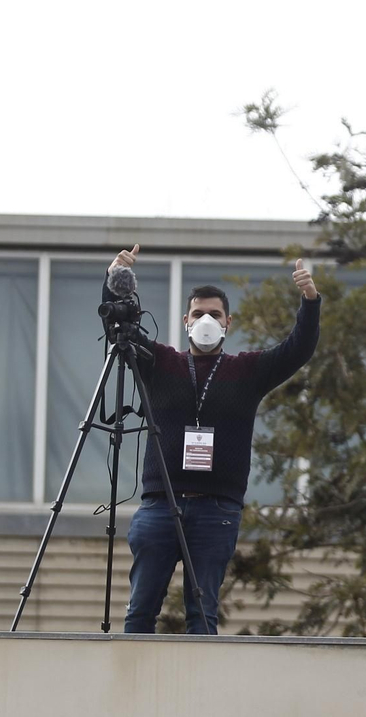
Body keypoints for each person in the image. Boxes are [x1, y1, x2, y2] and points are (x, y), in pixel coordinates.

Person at [103, 243, 320, 634]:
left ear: (228, 322)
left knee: (202, 615)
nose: (206, 320)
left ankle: (197, 692)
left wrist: (310, 300)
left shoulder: (247, 370)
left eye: (214, 314)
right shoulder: (161, 362)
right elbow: (118, 329)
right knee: (139, 612)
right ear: (186, 320)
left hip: (216, 510)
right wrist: (114, 282)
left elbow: (296, 350)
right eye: (199, 313)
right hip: (159, 505)